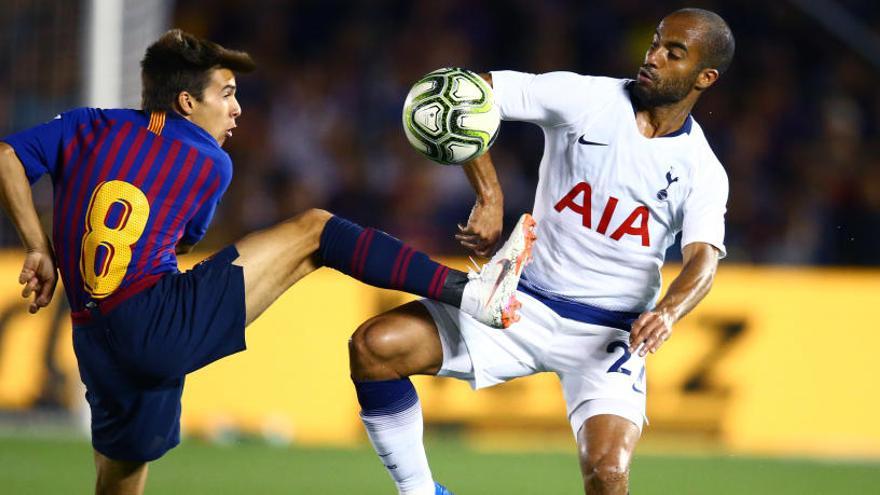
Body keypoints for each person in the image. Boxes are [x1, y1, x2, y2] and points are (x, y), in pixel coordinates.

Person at [0, 29, 534, 495]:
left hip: (95, 339)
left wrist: (38, 246)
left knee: (119, 475)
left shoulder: (86, 124)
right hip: (156, 322)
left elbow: (6, 158)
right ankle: (469, 292)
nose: (236, 110)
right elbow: (183, 240)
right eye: (227, 95)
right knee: (317, 231)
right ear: (187, 103)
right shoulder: (209, 160)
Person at [348, 8, 734, 495]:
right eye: (655, 43)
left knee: (608, 473)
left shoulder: (702, 169)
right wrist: (489, 194)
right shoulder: (586, 98)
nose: (653, 57)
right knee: (374, 348)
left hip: (609, 334)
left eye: (672, 53)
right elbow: (467, 88)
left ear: (706, 77)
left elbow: (703, 258)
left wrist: (669, 312)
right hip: (515, 305)